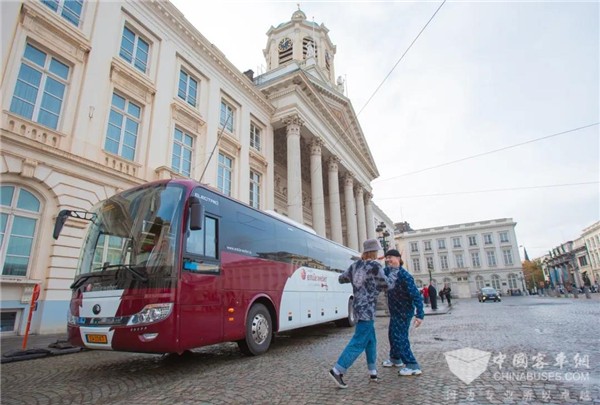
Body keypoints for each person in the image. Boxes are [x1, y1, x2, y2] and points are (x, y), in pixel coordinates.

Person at [328, 238, 390, 389]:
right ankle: (337, 370)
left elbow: (341, 279)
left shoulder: (355, 265)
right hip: (368, 308)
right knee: (359, 340)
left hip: (357, 307)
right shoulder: (375, 266)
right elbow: (386, 285)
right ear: (374, 251)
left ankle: (372, 371)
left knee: (371, 340)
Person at [381, 249, 425, 376]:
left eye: (391, 257)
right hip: (395, 312)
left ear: (398, 259)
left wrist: (420, 315)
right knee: (392, 335)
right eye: (387, 257)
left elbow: (416, 296)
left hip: (404, 312)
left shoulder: (405, 276)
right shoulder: (388, 272)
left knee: (400, 337)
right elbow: (377, 273)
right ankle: (395, 359)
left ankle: (412, 365)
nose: (388, 260)